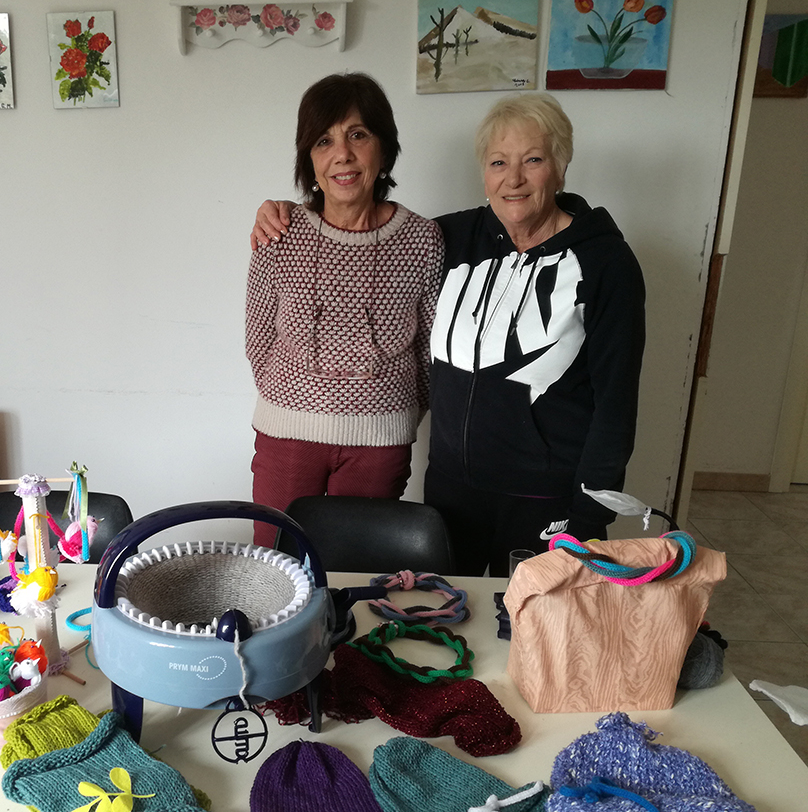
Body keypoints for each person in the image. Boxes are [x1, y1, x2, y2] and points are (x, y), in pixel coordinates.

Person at [252, 92, 645, 575]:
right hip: (451, 496)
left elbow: (616, 403)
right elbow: (342, 246)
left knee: (529, 630)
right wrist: (279, 208)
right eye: (498, 162)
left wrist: (589, 514)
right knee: (439, 616)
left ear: (561, 166)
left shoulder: (604, 264)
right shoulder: (454, 239)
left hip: (545, 500)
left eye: (534, 160)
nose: (514, 178)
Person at [245, 73, 444, 548]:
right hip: (287, 435)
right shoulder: (280, 231)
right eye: (324, 140)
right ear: (309, 159)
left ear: (383, 147)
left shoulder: (422, 239)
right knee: (275, 570)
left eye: (358, 134)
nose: (343, 155)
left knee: (360, 578)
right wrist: (301, 399)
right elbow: (258, 338)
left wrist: (389, 413)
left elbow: (431, 352)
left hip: (381, 444)